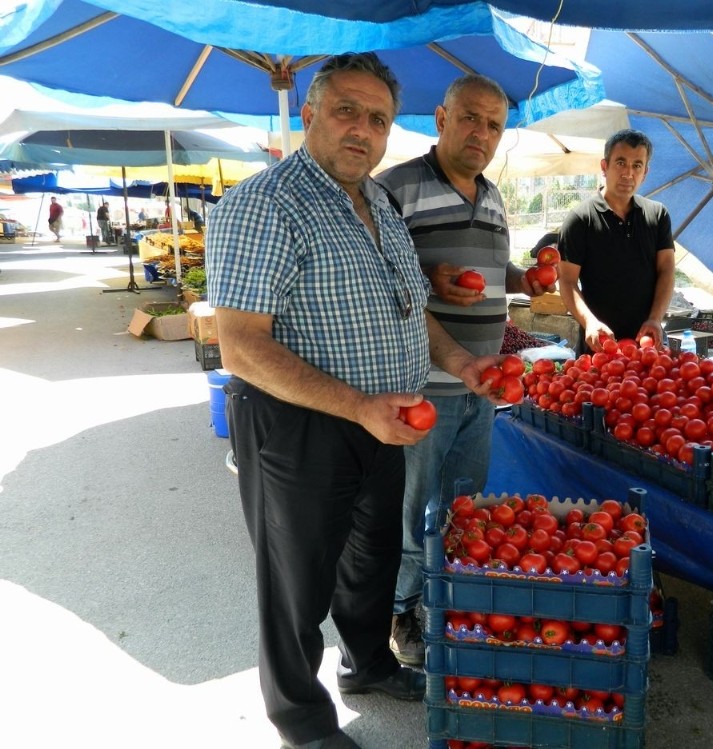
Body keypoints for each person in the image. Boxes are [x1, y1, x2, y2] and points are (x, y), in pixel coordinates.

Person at [205, 53, 503, 749]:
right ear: (309, 115)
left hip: (387, 416)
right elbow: (242, 346)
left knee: (370, 557)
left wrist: (460, 360)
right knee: (297, 581)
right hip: (298, 423)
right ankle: (302, 721)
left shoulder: (376, 204)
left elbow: (409, 310)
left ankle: (367, 663)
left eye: (377, 118)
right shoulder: (262, 203)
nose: (362, 129)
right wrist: (356, 405)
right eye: (346, 110)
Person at [376, 74, 554, 667]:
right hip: (423, 386)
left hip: (485, 385)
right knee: (414, 505)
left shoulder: (495, 197)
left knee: (463, 504)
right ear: (441, 117)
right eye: (471, 118)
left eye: (495, 125)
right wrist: (432, 279)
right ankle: (402, 611)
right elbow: (371, 275)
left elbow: (494, 269)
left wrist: (521, 280)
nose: (482, 133)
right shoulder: (394, 188)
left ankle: (442, 599)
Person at [558, 129, 676, 352]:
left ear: (645, 172)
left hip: (649, 347)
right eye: (620, 163)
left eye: (637, 165)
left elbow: (667, 270)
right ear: (604, 167)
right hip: (599, 348)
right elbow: (566, 281)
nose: (628, 173)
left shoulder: (658, 215)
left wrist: (654, 319)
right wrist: (589, 322)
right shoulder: (580, 219)